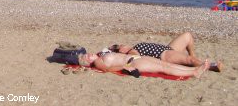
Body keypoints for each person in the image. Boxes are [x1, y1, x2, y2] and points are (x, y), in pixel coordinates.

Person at [108, 32, 222, 72]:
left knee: (187, 36)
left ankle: (195, 60)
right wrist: (127, 52)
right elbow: (136, 59)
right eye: (118, 47)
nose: (121, 45)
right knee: (189, 59)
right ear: (121, 52)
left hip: (167, 48)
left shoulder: (133, 48)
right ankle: (211, 66)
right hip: (163, 55)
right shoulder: (131, 53)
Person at [78, 51, 210, 79]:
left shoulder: (100, 55)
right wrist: (125, 67)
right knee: (164, 68)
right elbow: (107, 69)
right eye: (86, 57)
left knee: (165, 64)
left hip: (137, 58)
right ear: (88, 62)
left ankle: (194, 69)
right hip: (134, 62)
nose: (88, 54)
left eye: (87, 54)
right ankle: (193, 73)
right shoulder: (97, 62)